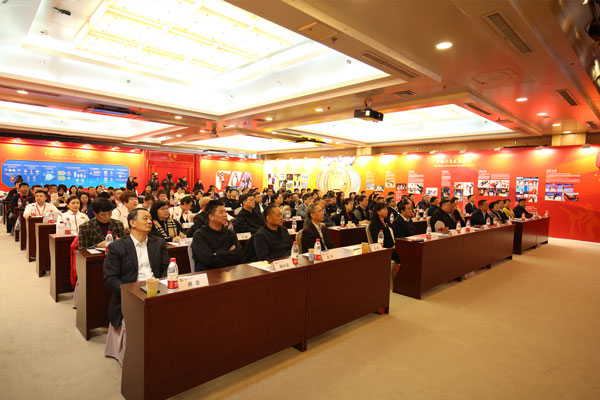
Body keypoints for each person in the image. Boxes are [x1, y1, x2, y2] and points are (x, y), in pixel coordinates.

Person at [103, 207, 169, 366]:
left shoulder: (158, 242)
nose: (149, 221)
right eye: (145, 218)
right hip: (130, 293)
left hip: (157, 289)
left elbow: (166, 268)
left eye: (150, 219)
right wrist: (131, 292)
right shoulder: (117, 247)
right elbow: (110, 279)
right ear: (132, 223)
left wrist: (162, 285)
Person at [191, 200, 243, 270]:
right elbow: (209, 260)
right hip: (209, 272)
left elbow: (239, 254)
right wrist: (229, 253)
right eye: (221, 212)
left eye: (225, 212)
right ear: (211, 217)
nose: (225, 215)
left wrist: (218, 253)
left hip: (230, 271)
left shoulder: (229, 232)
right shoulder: (199, 235)